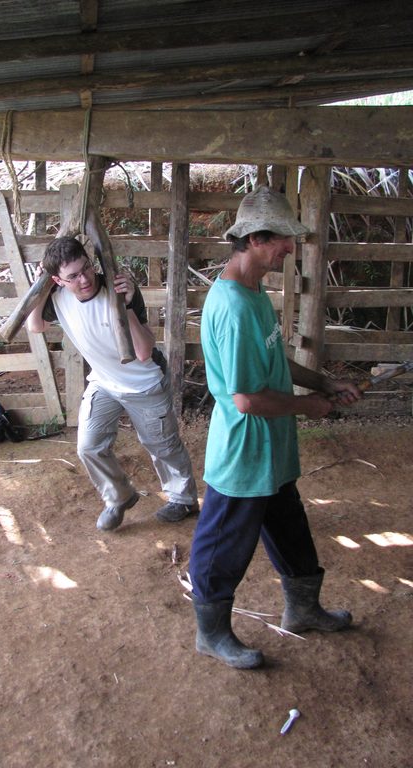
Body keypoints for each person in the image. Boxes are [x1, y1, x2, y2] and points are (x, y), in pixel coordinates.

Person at [189, 186, 362, 669]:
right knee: (221, 544)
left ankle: (303, 607)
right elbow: (245, 399)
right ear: (256, 238)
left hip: (272, 446)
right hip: (244, 452)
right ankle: (212, 633)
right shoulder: (233, 307)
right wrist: (308, 407)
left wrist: (323, 382)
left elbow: (274, 361)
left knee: (289, 528)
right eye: (284, 238)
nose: (290, 247)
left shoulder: (254, 290)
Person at [27, 236, 199, 531]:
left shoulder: (118, 288)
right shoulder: (57, 296)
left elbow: (144, 352)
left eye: (86, 268)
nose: (84, 279)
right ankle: (119, 496)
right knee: (88, 447)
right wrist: (39, 288)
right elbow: (34, 326)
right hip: (104, 381)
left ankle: (183, 499)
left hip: (144, 382)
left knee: (162, 445)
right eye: (73, 276)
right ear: (58, 279)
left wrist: (127, 305)